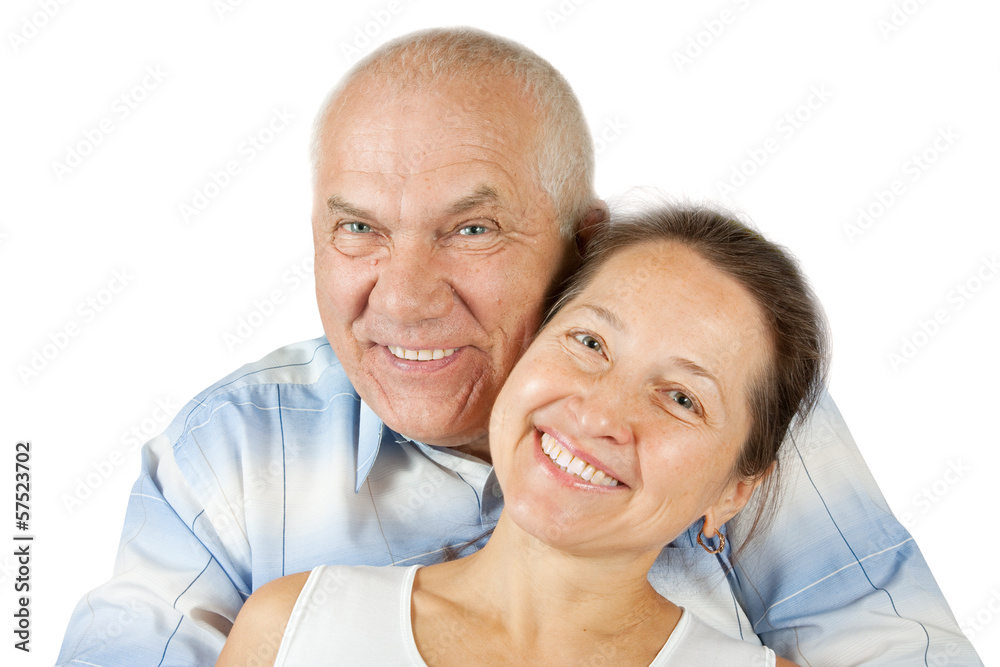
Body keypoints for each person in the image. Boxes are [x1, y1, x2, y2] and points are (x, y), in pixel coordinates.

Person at [56, 27, 978, 666]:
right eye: (358, 229)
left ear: (582, 244)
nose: (406, 299)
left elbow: (896, 644)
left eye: (471, 230)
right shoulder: (234, 452)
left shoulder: (745, 408)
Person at [218, 204, 826, 666]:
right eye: (589, 343)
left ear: (734, 492)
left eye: (682, 398)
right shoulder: (290, 632)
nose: (597, 416)